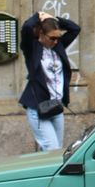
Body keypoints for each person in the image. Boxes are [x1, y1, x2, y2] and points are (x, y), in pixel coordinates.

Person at [19, 11, 80, 151]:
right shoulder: (32, 48)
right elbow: (27, 28)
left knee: (54, 151)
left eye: (58, 38)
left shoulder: (58, 46)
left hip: (56, 107)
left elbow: (75, 28)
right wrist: (39, 16)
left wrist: (54, 19)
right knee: (53, 150)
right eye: (52, 38)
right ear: (41, 34)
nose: (55, 41)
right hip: (39, 108)